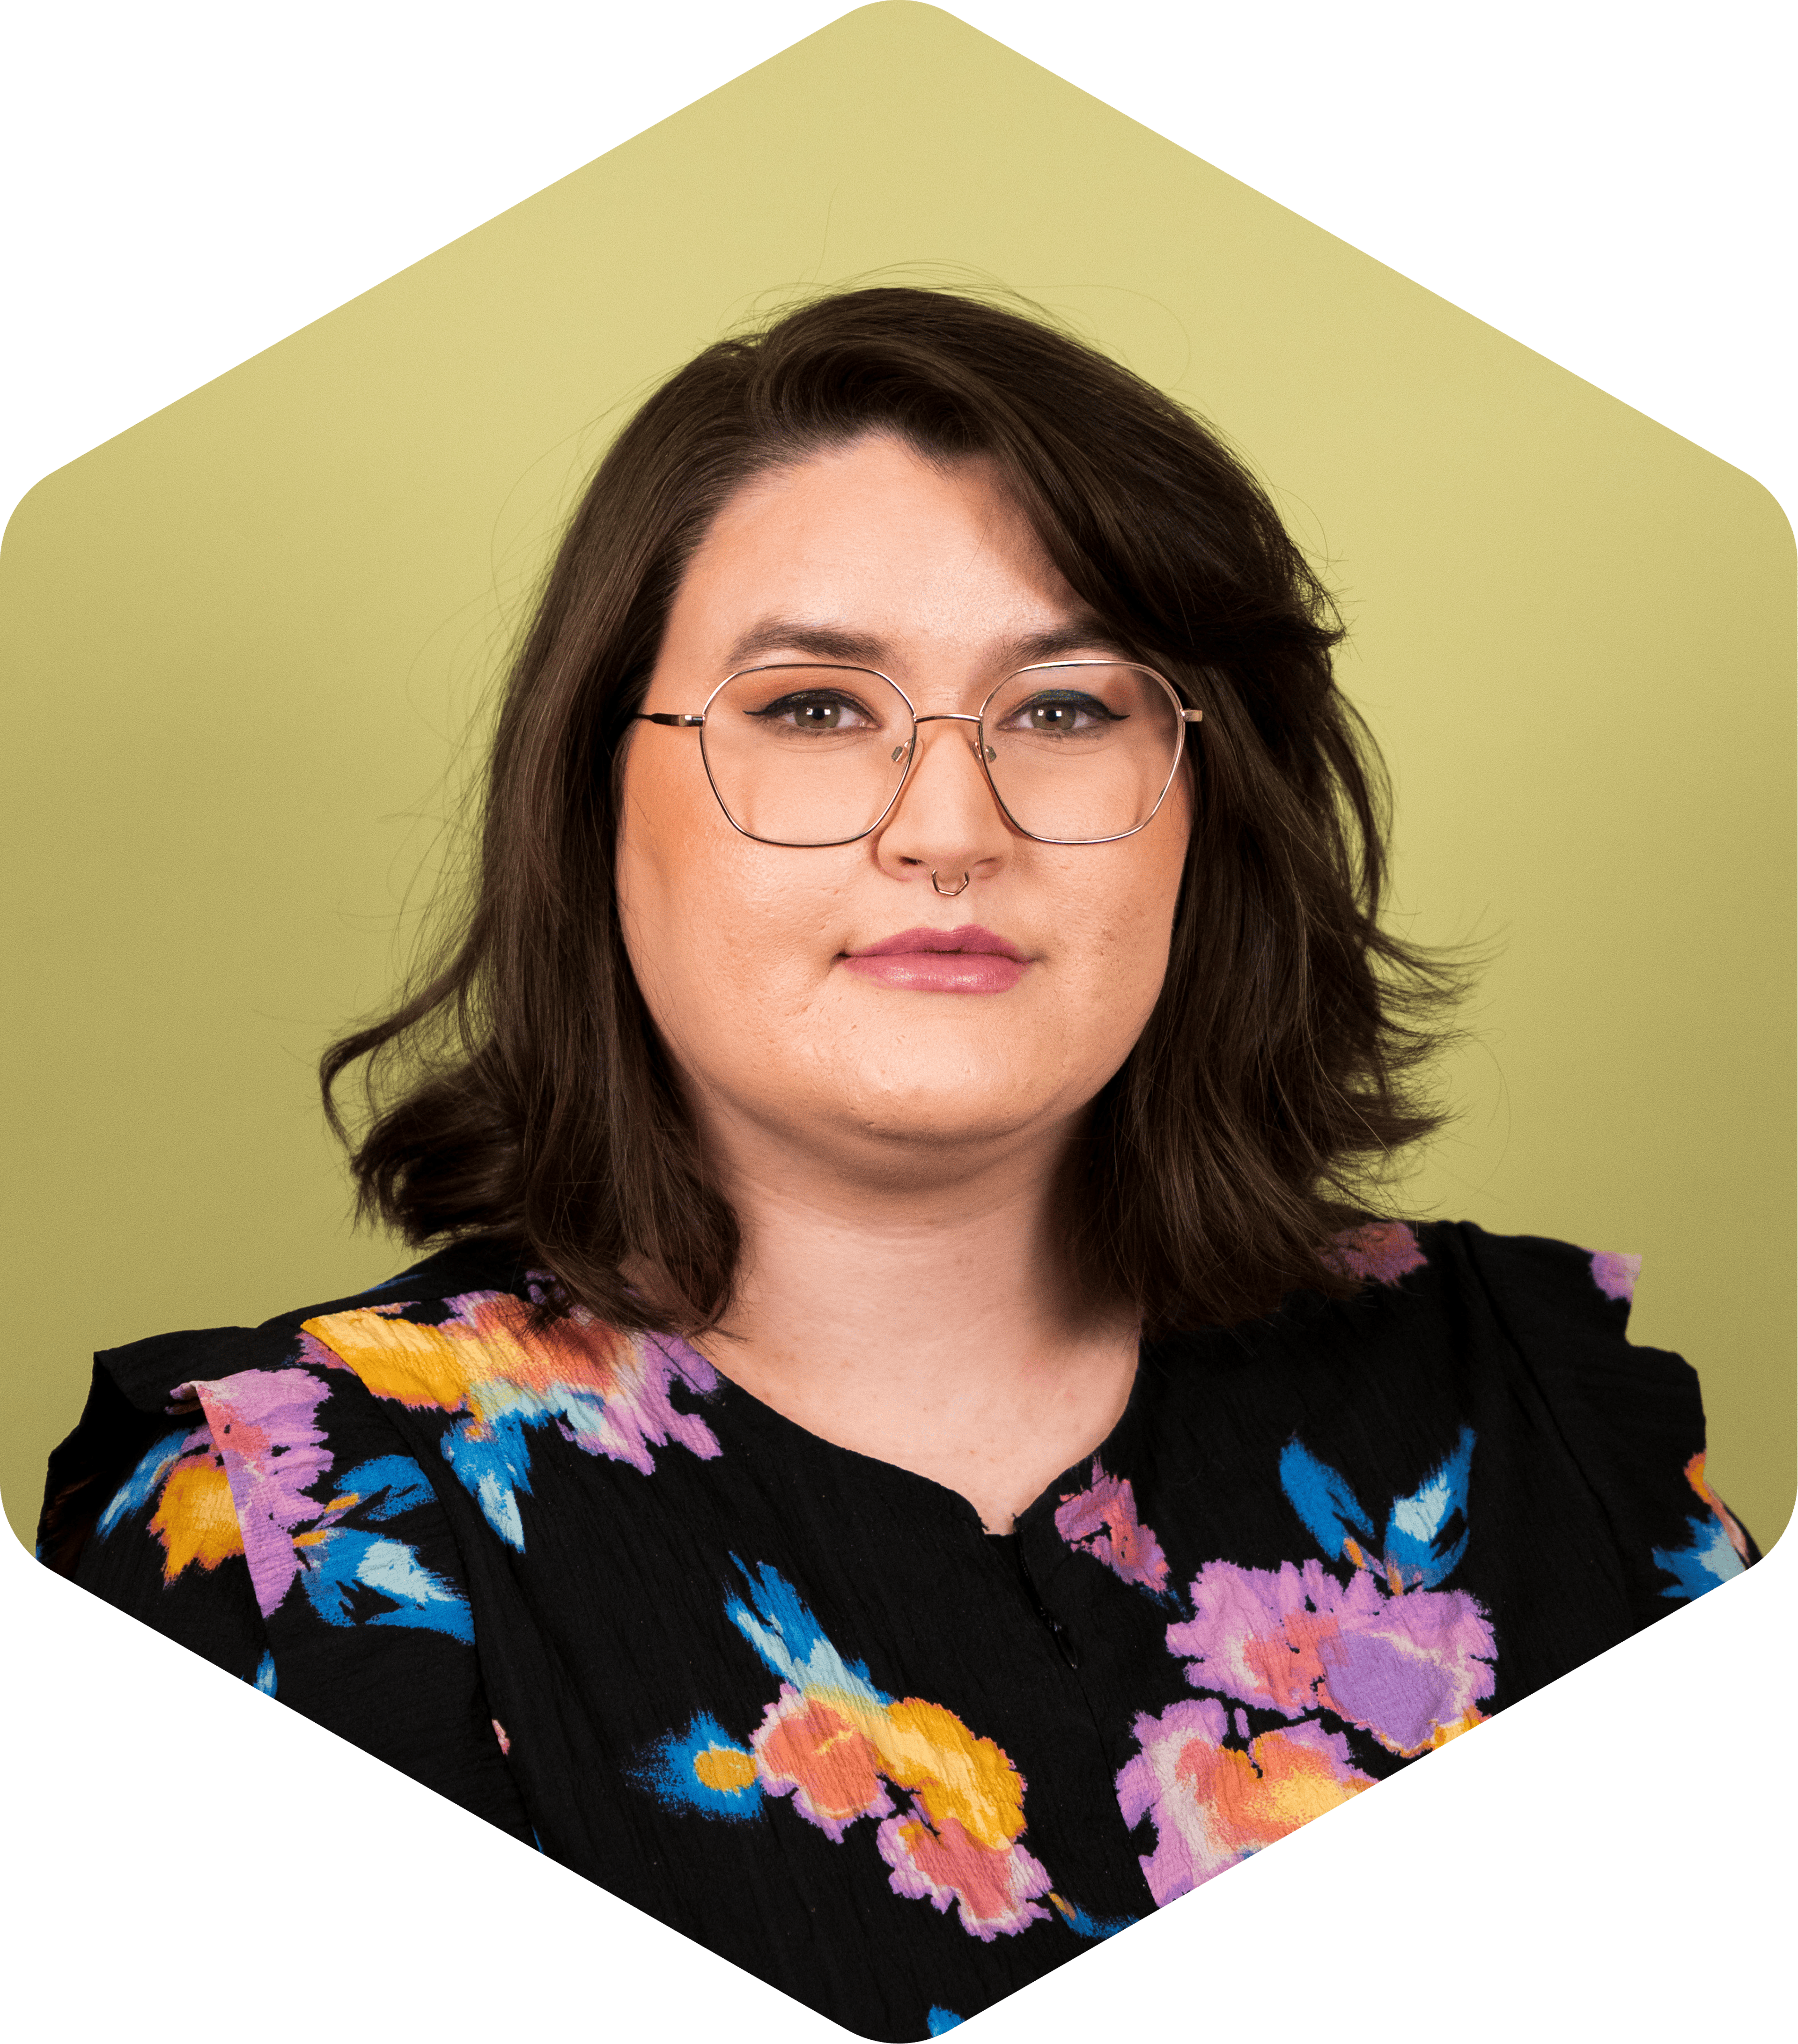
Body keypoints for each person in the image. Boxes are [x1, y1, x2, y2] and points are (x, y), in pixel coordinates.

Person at [39, 288, 1755, 2044]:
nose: (950, 825)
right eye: (811, 707)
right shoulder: (284, 1532)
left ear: (1206, 807)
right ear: (589, 798)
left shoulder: (1553, 1425)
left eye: (1071, 708)